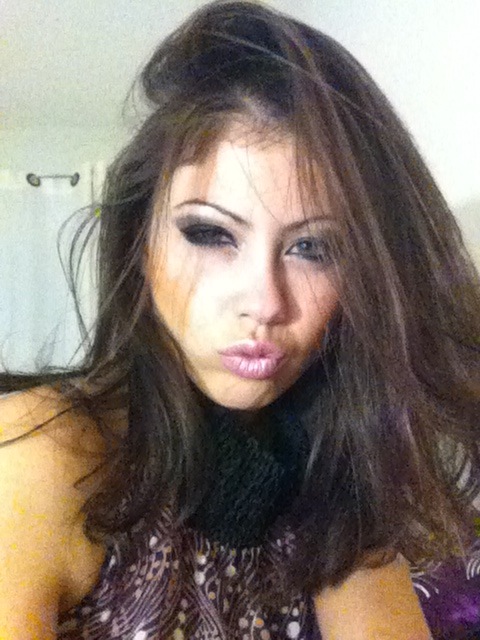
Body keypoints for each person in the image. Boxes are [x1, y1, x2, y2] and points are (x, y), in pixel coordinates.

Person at [1, 1, 480, 637]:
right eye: (209, 233)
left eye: (313, 247)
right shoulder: (41, 453)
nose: (265, 302)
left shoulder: (330, 468)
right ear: (141, 243)